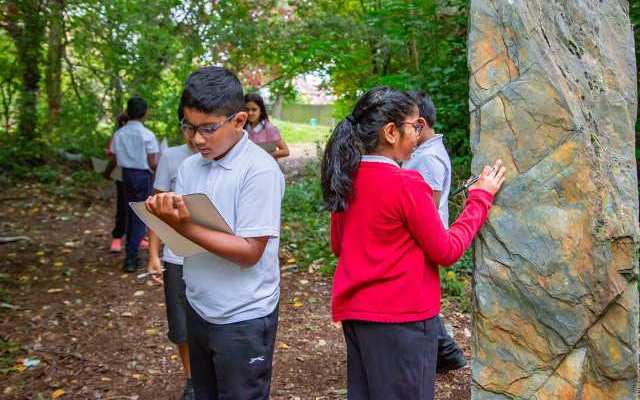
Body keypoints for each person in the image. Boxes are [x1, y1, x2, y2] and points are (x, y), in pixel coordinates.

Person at [321, 86, 506, 400]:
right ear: (391, 132)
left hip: (357, 316)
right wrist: (480, 198)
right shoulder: (406, 184)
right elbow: (447, 250)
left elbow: (340, 245)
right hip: (402, 319)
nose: (420, 133)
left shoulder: (347, 178)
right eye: (415, 126)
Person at [145, 66, 285, 399]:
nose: (196, 139)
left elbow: (251, 251)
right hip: (200, 304)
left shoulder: (259, 170)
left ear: (239, 121)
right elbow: (190, 238)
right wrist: (165, 217)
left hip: (243, 317)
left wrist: (183, 225)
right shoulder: (190, 166)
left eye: (208, 128)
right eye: (189, 127)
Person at [402, 90, 466, 373]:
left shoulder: (428, 159)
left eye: (409, 123)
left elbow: (428, 207)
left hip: (423, 239)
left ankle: (446, 352)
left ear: (422, 124)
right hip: (422, 238)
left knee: (419, 300)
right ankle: (445, 352)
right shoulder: (423, 153)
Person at [146, 107, 196, 399]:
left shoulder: (219, 157)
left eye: (202, 127)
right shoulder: (172, 157)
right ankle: (191, 379)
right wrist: (154, 252)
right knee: (180, 323)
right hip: (176, 256)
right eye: (188, 127)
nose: (194, 135)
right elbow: (155, 209)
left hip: (210, 256)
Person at [111, 96, 159, 272]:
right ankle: (131, 257)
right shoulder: (147, 135)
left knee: (130, 212)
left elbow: (115, 157)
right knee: (140, 215)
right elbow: (153, 162)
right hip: (143, 176)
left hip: (125, 175)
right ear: (145, 113)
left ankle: (130, 251)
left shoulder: (119, 134)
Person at [105, 113, 129, 253]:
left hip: (135, 174)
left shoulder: (143, 133)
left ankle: (135, 237)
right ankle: (118, 237)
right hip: (122, 173)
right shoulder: (118, 135)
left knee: (134, 206)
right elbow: (112, 155)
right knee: (123, 206)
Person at [244, 92, 290, 159]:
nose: (250, 113)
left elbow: (286, 151)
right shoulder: (242, 128)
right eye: (247, 109)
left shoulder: (270, 129)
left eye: (254, 109)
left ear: (261, 110)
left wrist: (265, 156)